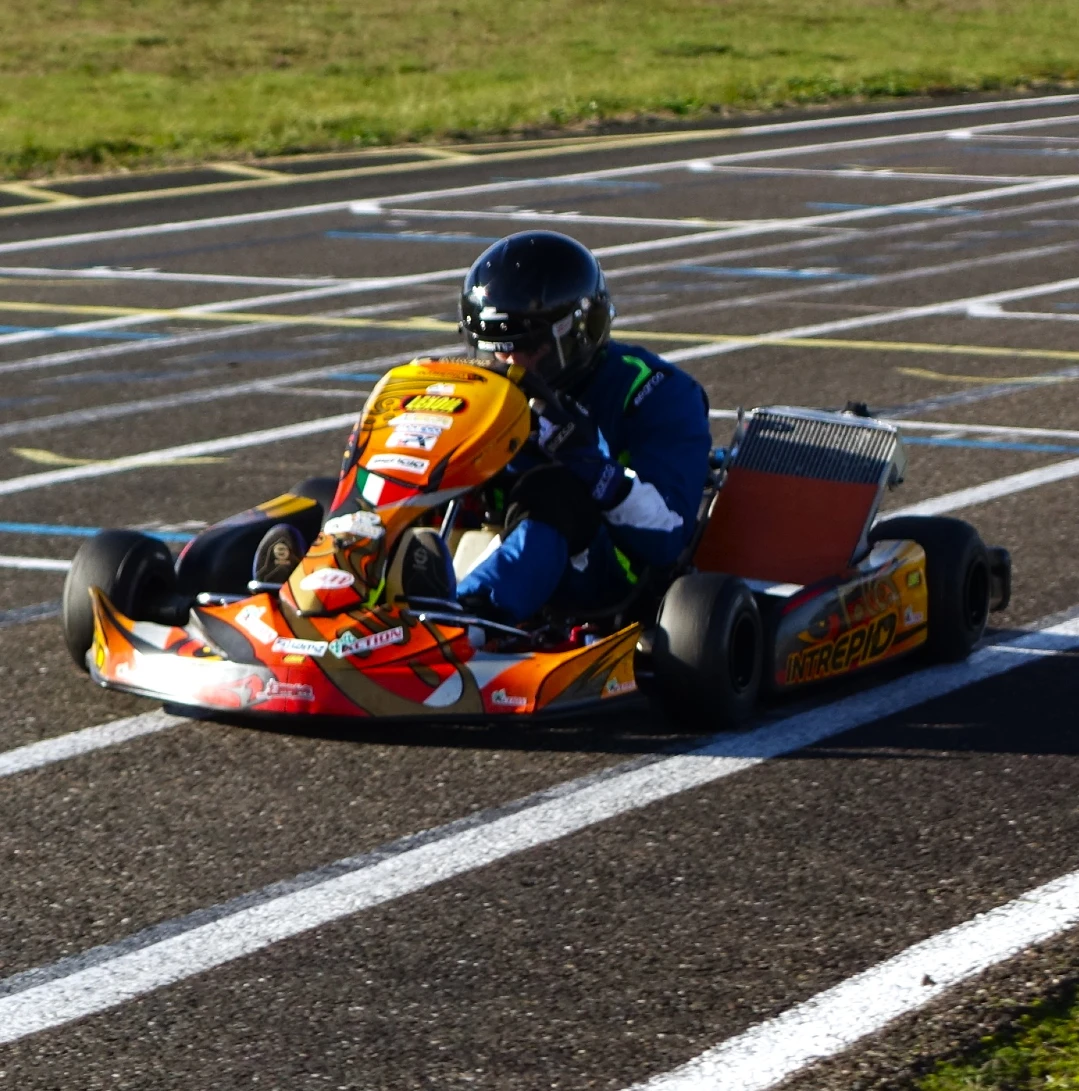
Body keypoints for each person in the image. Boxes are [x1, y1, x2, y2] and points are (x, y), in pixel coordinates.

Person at [454, 230, 712, 624]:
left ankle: (468, 618)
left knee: (554, 490)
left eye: (526, 348)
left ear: (578, 332)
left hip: (613, 569)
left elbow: (668, 533)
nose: (506, 364)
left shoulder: (656, 392)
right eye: (491, 349)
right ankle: (345, 585)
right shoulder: (486, 394)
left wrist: (585, 459)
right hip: (507, 536)